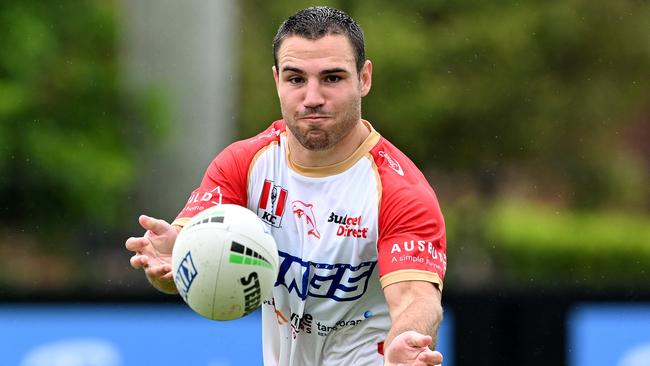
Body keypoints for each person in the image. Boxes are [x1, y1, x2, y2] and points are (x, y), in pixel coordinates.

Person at [125, 6, 447, 366]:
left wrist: (406, 341)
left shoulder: (399, 191)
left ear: (364, 78)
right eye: (296, 79)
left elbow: (416, 298)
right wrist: (174, 263)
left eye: (332, 78)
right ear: (277, 79)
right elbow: (187, 255)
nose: (312, 97)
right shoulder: (243, 164)